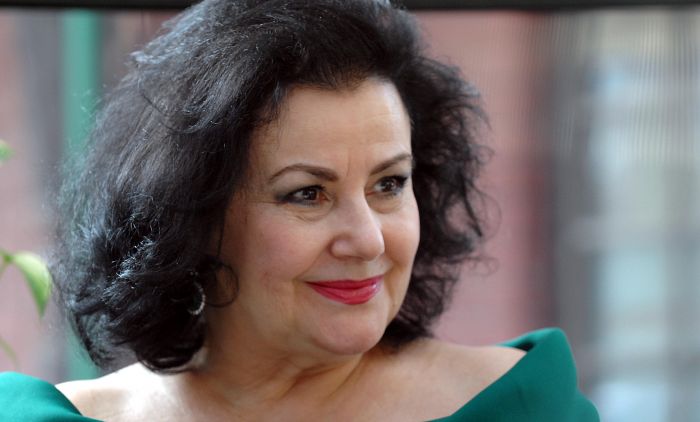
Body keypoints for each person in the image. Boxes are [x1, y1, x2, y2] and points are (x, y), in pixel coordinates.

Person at [0, 0, 599, 420]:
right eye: (307, 193)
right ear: (195, 219)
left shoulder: (520, 405)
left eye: (389, 184)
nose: (369, 240)